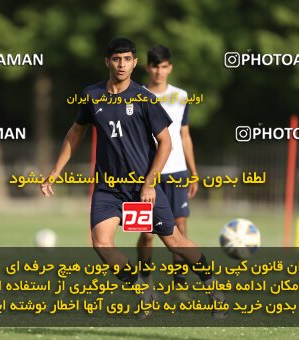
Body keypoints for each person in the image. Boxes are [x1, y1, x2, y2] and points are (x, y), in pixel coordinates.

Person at [41, 37, 224, 319]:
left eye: (127, 59)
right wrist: (55, 172)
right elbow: (75, 134)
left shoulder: (145, 99)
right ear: (107, 62)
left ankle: (212, 286)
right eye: (116, 59)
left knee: (174, 242)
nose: (122, 64)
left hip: (142, 189)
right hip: (108, 189)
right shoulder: (91, 95)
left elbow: (167, 142)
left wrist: (150, 182)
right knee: (101, 242)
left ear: (135, 63)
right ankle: (144, 290)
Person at [136, 45, 199, 299]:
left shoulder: (180, 96)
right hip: (149, 174)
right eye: (155, 66)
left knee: (180, 228)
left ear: (170, 67)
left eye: (164, 66)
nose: (159, 71)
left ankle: (179, 285)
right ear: (147, 67)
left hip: (177, 172)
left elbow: (185, 136)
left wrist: (193, 171)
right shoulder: (137, 95)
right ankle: (145, 279)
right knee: (148, 233)